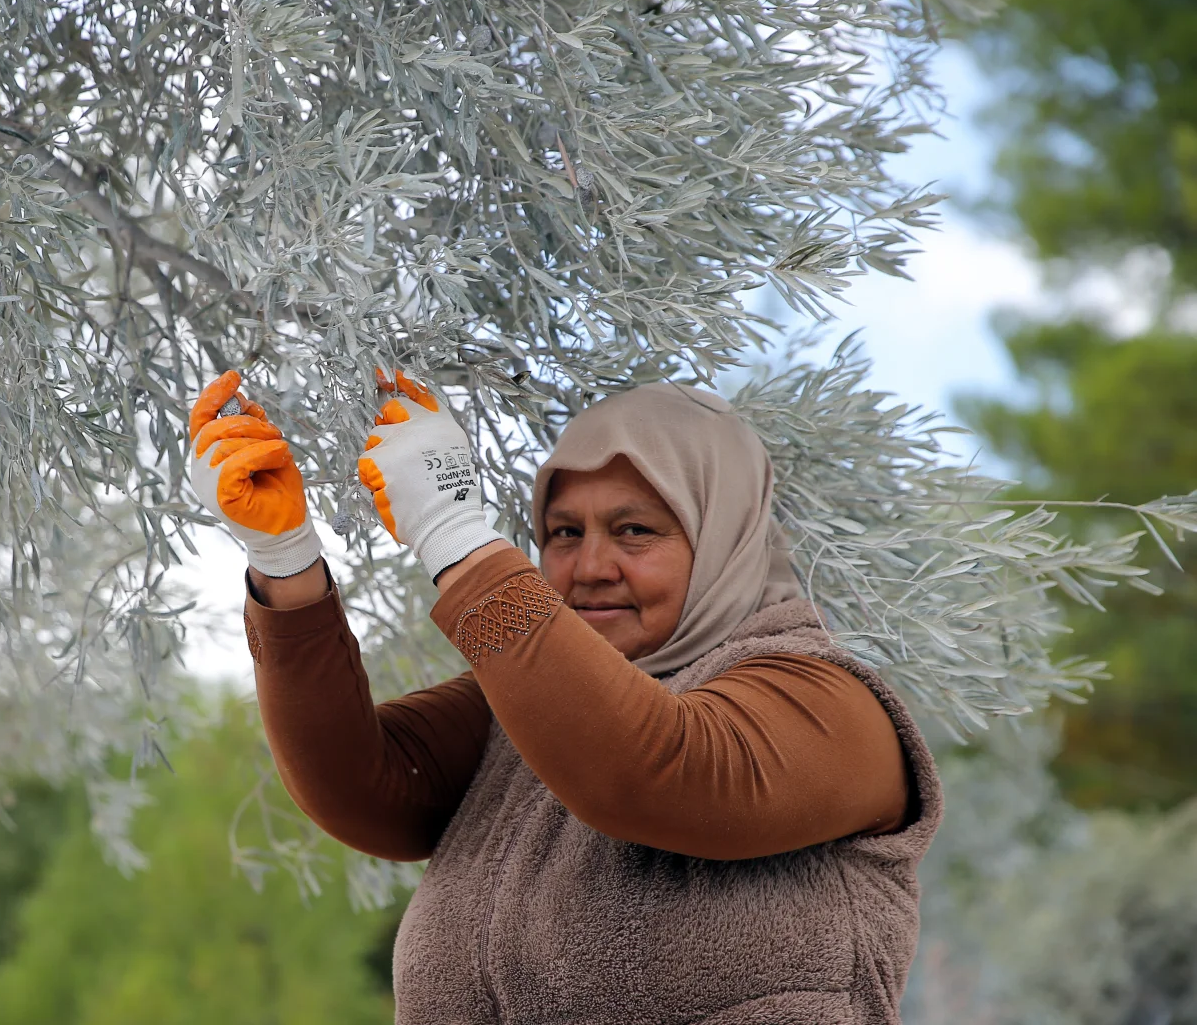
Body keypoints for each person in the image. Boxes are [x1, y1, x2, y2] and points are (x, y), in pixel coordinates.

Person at [187, 368, 943, 1025]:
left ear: (725, 535)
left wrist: (453, 532)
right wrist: (283, 563)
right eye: (562, 533)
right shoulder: (532, 710)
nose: (590, 566)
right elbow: (364, 786)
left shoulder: (827, 702)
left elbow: (654, 772)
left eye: (635, 531)